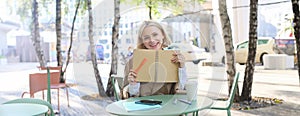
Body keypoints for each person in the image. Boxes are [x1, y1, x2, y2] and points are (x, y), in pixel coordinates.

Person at [121, 20, 187, 98]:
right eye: (146, 37)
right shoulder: (133, 61)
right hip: (142, 107)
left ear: (163, 35)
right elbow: (126, 95)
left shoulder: (173, 57)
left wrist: (182, 67)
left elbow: (181, 89)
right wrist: (133, 85)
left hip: (167, 106)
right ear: (142, 41)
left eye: (155, 35)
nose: (152, 40)